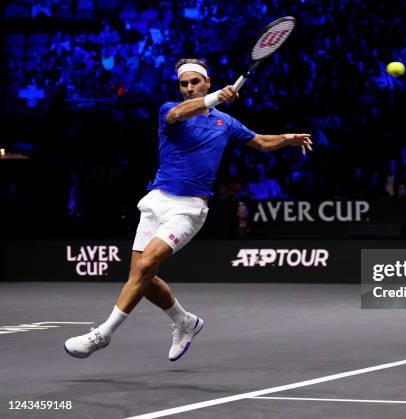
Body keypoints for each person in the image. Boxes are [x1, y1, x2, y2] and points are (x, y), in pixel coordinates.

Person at [64, 58, 312, 361]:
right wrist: (216, 97)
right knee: (142, 277)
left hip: (189, 208)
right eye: (184, 84)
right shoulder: (170, 110)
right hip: (156, 202)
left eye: (196, 82)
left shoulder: (226, 123)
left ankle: (103, 334)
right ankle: (185, 322)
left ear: (207, 81)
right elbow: (179, 113)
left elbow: (259, 141)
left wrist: (286, 139)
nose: (189, 88)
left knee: (145, 267)